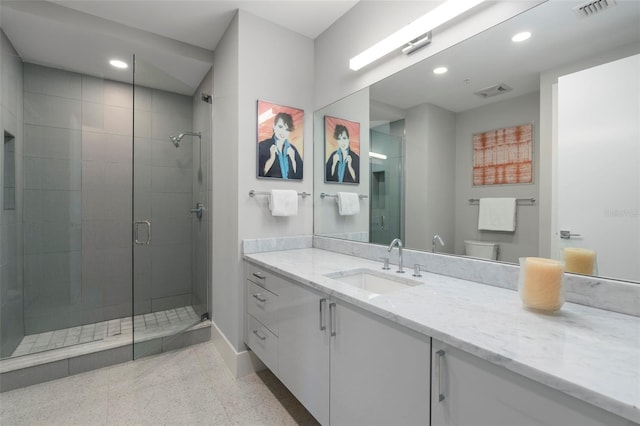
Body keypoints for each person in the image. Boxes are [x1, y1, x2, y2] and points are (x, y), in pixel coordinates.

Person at [258, 112, 303, 179]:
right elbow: (258, 174)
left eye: (287, 129)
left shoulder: (292, 149)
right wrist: (271, 159)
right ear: (274, 126)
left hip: (291, 188)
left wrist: (293, 160)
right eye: (280, 127)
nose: (283, 132)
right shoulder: (263, 146)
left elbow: (300, 177)